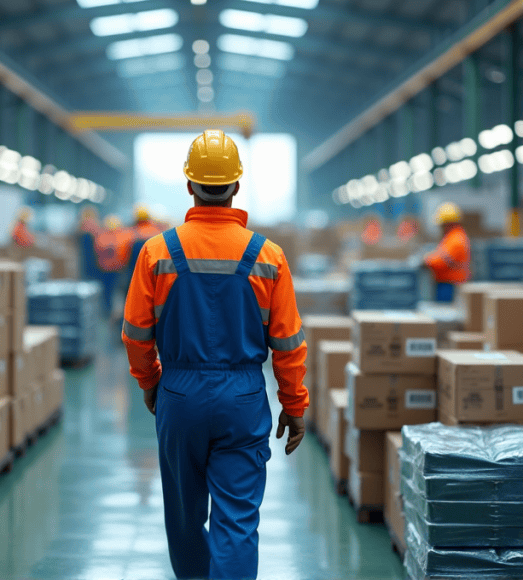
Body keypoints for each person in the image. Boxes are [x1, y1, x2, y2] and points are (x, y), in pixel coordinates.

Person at [121, 129, 308, 580]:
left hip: (179, 395)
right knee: (238, 521)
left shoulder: (156, 252)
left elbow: (134, 333)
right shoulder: (269, 257)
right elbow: (287, 343)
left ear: (189, 186)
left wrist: (151, 383)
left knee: (184, 518)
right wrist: (294, 405)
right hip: (243, 398)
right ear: (236, 187)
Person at [423, 202, 470, 303]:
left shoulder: (456, 240)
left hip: (449, 285)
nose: (440, 228)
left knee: (445, 313)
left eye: (442, 225)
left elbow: (442, 260)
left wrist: (426, 260)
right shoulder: (452, 237)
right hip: (446, 283)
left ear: (447, 223)